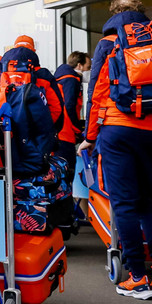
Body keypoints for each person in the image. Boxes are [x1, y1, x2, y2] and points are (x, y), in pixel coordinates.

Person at [81, 0, 152, 300]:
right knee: (150, 202)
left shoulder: (108, 44)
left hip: (118, 130)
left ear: (113, 15)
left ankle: (138, 278)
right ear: (142, 14)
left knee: (124, 204)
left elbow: (97, 92)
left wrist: (90, 135)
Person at [52, 50, 90, 233]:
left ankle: (63, 220)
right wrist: (79, 130)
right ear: (80, 65)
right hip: (66, 135)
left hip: (55, 136)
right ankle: (65, 221)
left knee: (57, 179)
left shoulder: (57, 78)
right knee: (67, 179)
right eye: (88, 67)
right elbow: (69, 107)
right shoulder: (72, 80)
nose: (88, 72)